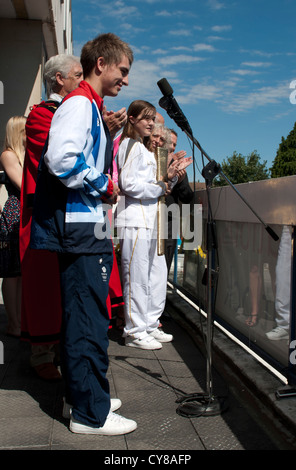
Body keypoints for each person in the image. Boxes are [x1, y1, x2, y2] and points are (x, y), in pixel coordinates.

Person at [30, 33, 137, 435]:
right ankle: (90, 414)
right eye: (122, 71)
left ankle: (88, 396)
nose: (124, 80)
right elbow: (60, 159)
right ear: (102, 63)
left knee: (88, 316)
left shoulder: (86, 106)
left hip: (88, 226)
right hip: (81, 227)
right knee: (87, 320)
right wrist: (102, 185)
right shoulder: (79, 104)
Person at [20, 54, 83, 381]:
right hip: (47, 211)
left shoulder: (70, 111)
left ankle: (65, 349)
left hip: (70, 209)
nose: (82, 80)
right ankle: (41, 354)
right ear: (59, 78)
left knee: (67, 285)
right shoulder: (43, 115)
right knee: (44, 285)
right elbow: (57, 157)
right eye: (77, 74)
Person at [115, 100, 192, 350]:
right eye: (145, 118)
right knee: (136, 276)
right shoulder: (129, 145)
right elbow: (128, 184)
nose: (150, 123)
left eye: (152, 119)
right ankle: (134, 331)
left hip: (148, 218)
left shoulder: (141, 147)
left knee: (151, 273)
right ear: (132, 120)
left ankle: (148, 324)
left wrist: (167, 177)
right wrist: (159, 186)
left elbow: (146, 182)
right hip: (136, 219)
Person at [0, 116, 26, 337]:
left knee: (20, 271)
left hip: (23, 212)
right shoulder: (9, 154)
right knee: (11, 272)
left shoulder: (21, 155)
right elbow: (22, 184)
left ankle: (18, 321)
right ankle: (13, 323)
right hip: (15, 212)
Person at [164, 129, 194, 272]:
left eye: (175, 144)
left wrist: (181, 181)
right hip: (151, 218)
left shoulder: (178, 166)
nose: (173, 147)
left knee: (165, 264)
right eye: (170, 142)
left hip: (169, 221)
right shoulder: (149, 159)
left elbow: (188, 198)